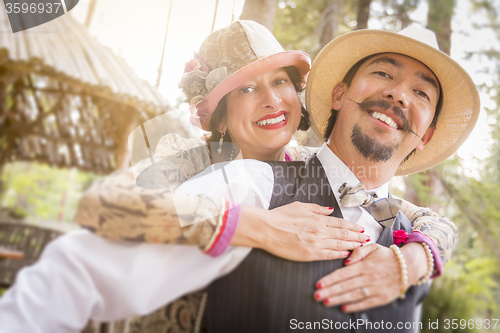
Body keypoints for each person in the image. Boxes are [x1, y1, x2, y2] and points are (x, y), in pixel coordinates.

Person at [0, 22, 469, 332]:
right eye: (245, 89)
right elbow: (93, 230)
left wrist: (417, 258)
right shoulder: (235, 179)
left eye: (281, 82)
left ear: (425, 135)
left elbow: (423, 216)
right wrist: (243, 222)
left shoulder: (401, 234)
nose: (271, 102)